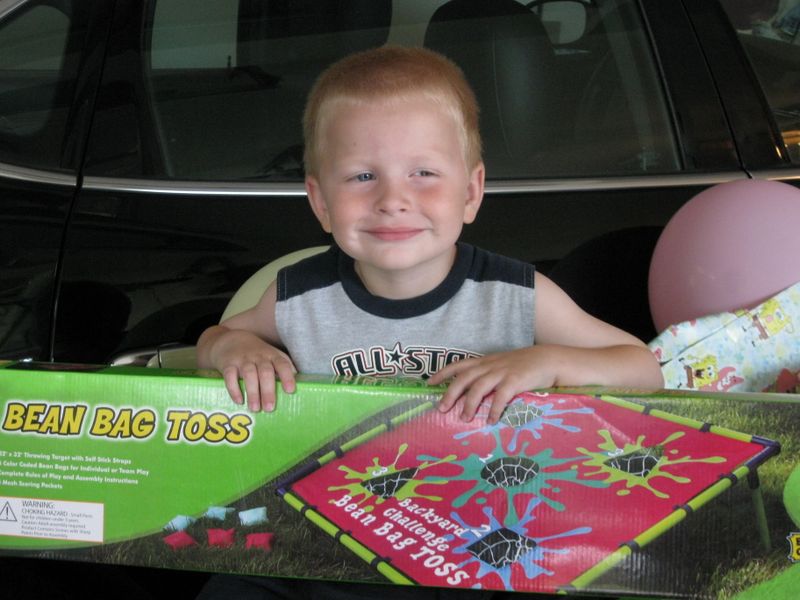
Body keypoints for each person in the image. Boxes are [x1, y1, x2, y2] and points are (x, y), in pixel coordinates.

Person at [196, 45, 663, 599]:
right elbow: (215, 340)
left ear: (471, 192)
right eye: (363, 175)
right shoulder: (302, 296)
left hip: (492, 543)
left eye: (424, 172)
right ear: (320, 201)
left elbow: (644, 368)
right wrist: (231, 348)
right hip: (334, 540)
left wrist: (546, 359)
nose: (394, 199)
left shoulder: (516, 294)